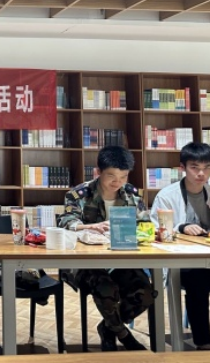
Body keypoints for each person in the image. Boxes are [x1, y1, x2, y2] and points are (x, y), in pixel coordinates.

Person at [58, 145, 154, 352]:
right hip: (84, 263)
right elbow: (65, 221)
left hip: (120, 260)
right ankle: (124, 336)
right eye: (111, 176)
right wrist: (88, 226)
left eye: (123, 177)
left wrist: (148, 231)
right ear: (98, 172)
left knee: (145, 293)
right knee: (106, 288)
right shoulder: (79, 194)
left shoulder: (132, 195)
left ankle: (108, 328)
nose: (117, 182)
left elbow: (145, 225)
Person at [151, 142, 210, 350]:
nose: (201, 173)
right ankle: (203, 342)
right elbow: (156, 229)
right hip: (183, 262)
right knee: (198, 280)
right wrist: (182, 227)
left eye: (207, 168)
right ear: (183, 168)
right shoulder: (167, 196)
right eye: (195, 167)